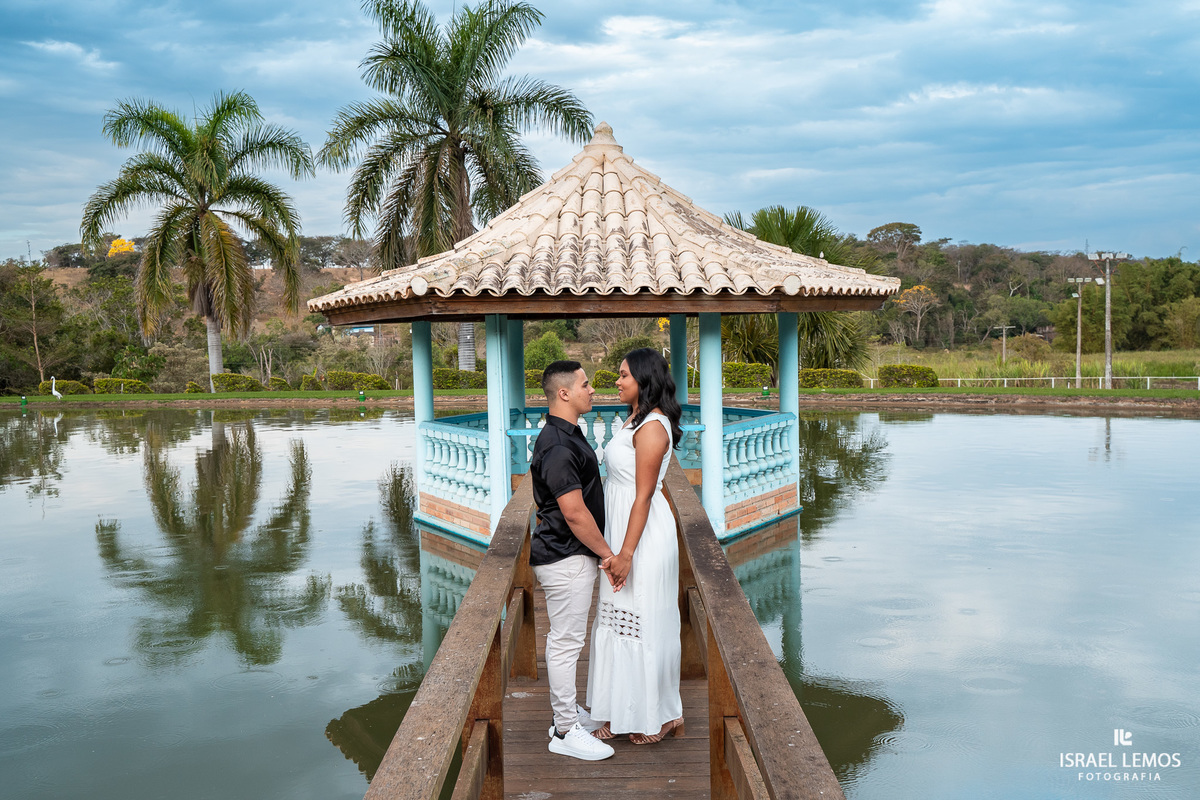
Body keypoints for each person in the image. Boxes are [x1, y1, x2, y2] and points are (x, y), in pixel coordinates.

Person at [585, 348, 686, 745]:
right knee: (616, 620)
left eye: (623, 375)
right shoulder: (634, 419)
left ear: (643, 380)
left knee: (645, 621)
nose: (617, 380)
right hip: (623, 529)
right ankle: (620, 710)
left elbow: (644, 496)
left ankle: (662, 715)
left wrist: (625, 554)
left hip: (641, 536)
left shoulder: (653, 427)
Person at [528, 360, 616, 761]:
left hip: (567, 554)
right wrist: (609, 554)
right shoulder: (559, 445)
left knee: (566, 641)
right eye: (585, 384)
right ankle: (565, 729)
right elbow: (574, 512)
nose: (592, 390)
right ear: (564, 393)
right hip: (566, 556)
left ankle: (566, 714)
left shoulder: (563, 436)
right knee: (565, 644)